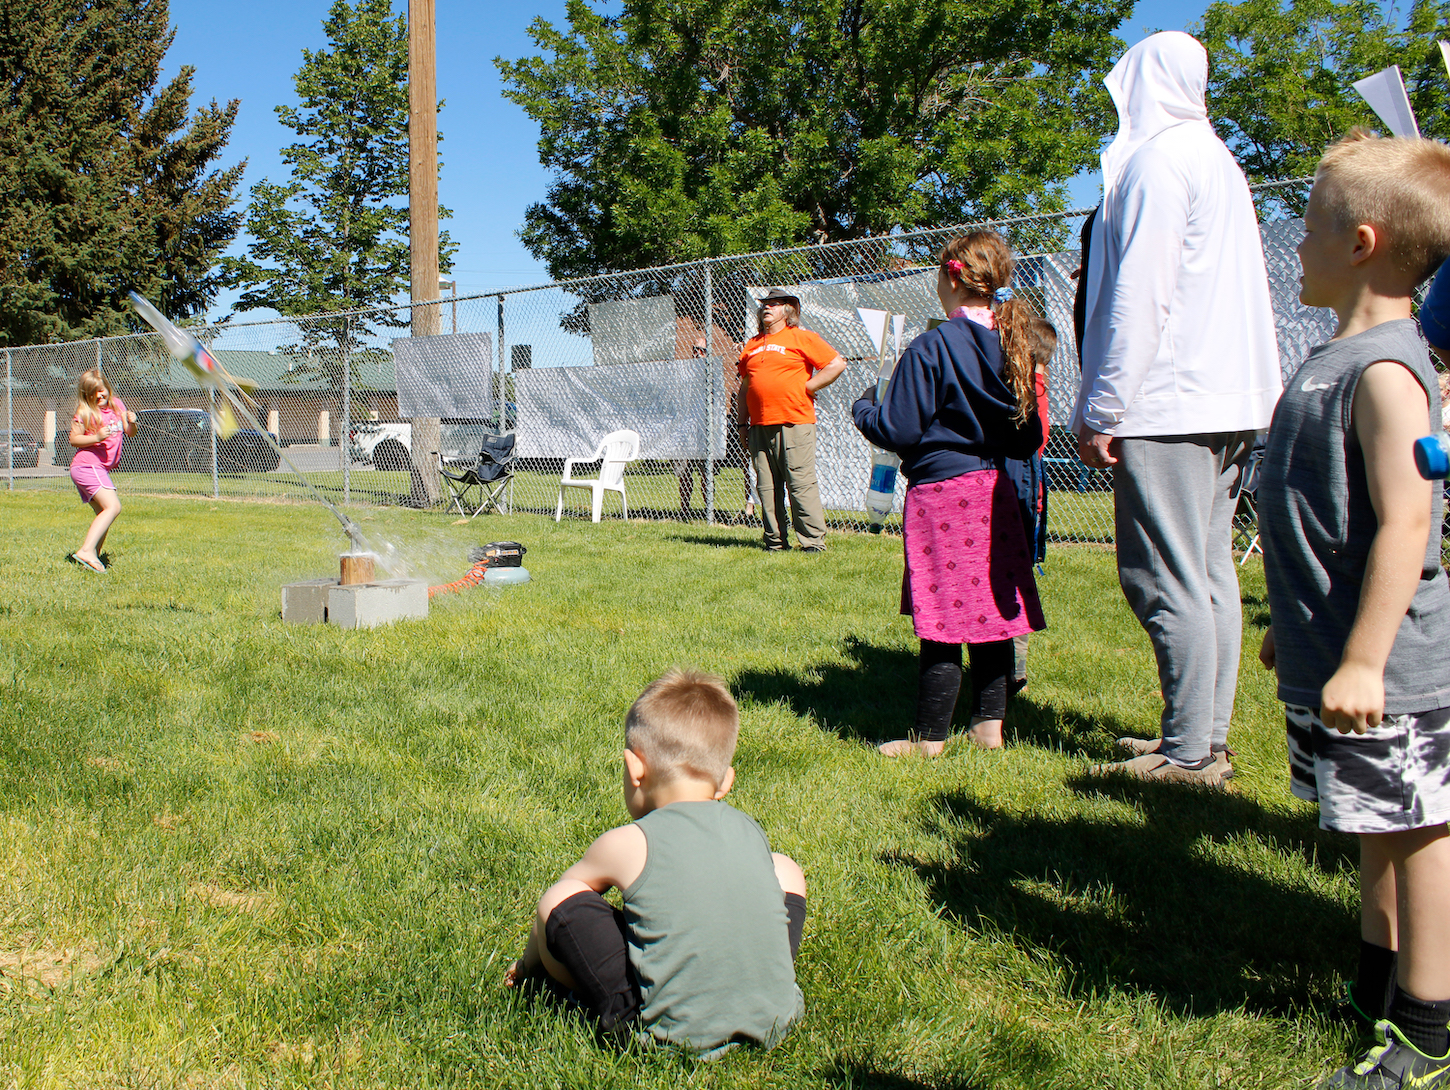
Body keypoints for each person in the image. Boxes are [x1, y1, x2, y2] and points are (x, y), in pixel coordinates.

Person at [1256, 131, 1450, 1089]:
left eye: (1310, 229)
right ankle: (1375, 985)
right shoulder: (1339, 357)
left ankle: (1426, 1026)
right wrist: (1287, 629)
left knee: (1416, 833)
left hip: (1391, 665)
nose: (1297, 246)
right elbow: (1317, 516)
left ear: (1362, 243)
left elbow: (1408, 521)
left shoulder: (1384, 371)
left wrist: (1366, 658)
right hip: (1332, 651)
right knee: (1373, 822)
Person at [1073, 31, 1281, 784]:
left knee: (1162, 576)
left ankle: (1191, 752)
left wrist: (1104, 406)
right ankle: (1202, 733)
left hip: (1167, 401)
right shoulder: (1219, 162)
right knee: (1209, 571)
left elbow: (1139, 295)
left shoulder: (1158, 163)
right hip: (1225, 398)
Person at [504, 668, 806, 1056]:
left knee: (560, 899)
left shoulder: (628, 843)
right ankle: (762, 984)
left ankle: (577, 995)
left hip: (666, 1036)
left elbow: (556, 911)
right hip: (776, 1019)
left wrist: (529, 967)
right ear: (726, 781)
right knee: (785, 869)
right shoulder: (749, 830)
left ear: (635, 768)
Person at [853, 231, 1047, 755]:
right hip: (995, 491)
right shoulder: (1014, 343)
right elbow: (1029, 436)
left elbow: (897, 429)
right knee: (990, 614)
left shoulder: (933, 345)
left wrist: (865, 406)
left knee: (940, 617)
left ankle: (929, 739)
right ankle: (989, 728)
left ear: (952, 276)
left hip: (941, 496)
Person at [736, 288, 847, 551]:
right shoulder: (751, 345)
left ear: (788, 310)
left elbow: (836, 364)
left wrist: (808, 388)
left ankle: (812, 543)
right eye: (764, 304)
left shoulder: (801, 337)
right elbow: (745, 388)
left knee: (800, 482)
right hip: (759, 426)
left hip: (794, 422)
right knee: (766, 486)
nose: (767, 308)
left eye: (774, 304)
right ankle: (775, 542)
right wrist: (742, 424)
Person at [1012, 316, 1057, 697]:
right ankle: (1012, 666)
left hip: (1019, 502)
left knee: (1010, 584)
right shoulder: (1037, 388)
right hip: (1029, 502)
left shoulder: (1027, 390)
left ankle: (1013, 668)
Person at [67, 369, 136, 573]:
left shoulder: (117, 406)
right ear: (87, 395)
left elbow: (130, 433)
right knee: (113, 507)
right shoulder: (85, 411)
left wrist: (131, 421)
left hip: (97, 468)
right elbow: (74, 439)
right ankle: (87, 551)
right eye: (93, 393)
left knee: (103, 512)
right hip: (87, 465)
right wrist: (96, 437)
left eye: (102, 390)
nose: (99, 396)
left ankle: (91, 557)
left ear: (108, 388)